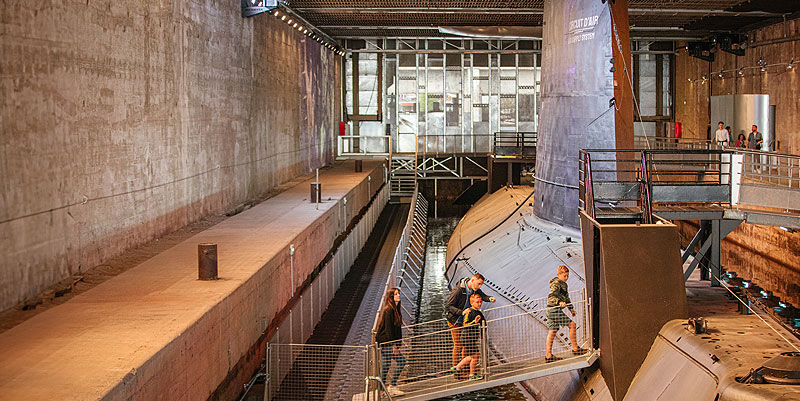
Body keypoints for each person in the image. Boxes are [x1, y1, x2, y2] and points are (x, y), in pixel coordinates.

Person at [445, 273, 496, 368]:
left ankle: (465, 367)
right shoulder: (458, 291)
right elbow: (448, 306)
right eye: (478, 284)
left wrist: (489, 298)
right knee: (458, 345)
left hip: (466, 320)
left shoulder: (475, 288)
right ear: (472, 281)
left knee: (465, 345)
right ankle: (456, 368)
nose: (479, 286)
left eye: (481, 284)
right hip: (455, 320)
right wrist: (461, 312)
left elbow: (483, 296)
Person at [545, 265, 586, 362]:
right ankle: (575, 349)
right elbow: (551, 296)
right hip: (554, 310)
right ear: (558, 275)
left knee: (552, 331)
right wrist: (559, 302)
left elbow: (566, 298)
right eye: (564, 276)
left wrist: (571, 308)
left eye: (567, 276)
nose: (566, 278)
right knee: (572, 325)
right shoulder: (556, 284)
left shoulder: (564, 284)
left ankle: (548, 356)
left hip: (550, 310)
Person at [376, 288, 406, 396]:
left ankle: (381, 389)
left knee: (386, 366)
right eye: (396, 294)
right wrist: (394, 345)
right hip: (386, 342)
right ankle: (391, 386)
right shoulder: (389, 310)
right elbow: (389, 330)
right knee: (401, 361)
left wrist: (399, 344)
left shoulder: (396, 308)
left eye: (398, 293)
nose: (398, 295)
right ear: (391, 297)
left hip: (389, 342)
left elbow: (397, 329)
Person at [450, 293, 486, 380]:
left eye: (480, 302)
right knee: (476, 355)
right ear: (472, 303)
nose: (479, 303)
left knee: (472, 356)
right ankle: (471, 374)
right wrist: (474, 321)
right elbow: (465, 324)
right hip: (467, 338)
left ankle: (457, 367)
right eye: (477, 302)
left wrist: (481, 333)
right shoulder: (469, 312)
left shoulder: (477, 312)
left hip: (471, 338)